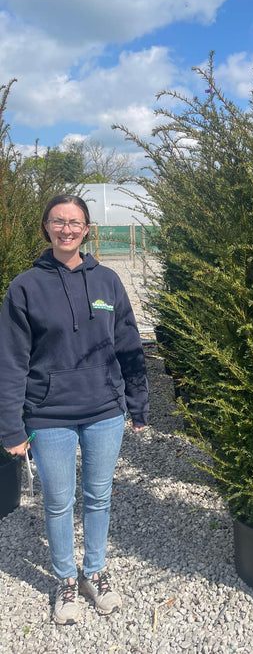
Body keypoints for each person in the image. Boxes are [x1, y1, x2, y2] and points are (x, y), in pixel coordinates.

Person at [0, 194, 149, 625]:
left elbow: (129, 344)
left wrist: (138, 403)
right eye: (58, 221)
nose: (67, 229)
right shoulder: (25, 287)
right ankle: (66, 578)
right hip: (49, 416)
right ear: (46, 227)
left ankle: (94, 571)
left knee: (98, 496)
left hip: (104, 411)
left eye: (75, 222)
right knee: (58, 501)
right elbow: (11, 361)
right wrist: (11, 428)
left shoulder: (108, 282)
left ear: (87, 229)